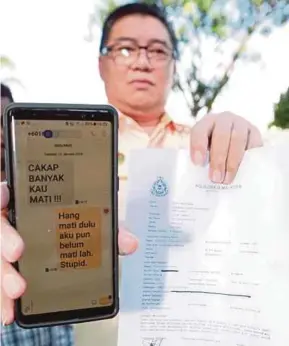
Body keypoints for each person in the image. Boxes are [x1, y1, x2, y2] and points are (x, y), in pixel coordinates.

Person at [1, 3, 263, 346]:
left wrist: (254, 161)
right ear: (101, 64)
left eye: (157, 50)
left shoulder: (209, 146)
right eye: (125, 48)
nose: (142, 61)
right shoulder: (60, 149)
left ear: (172, 66)